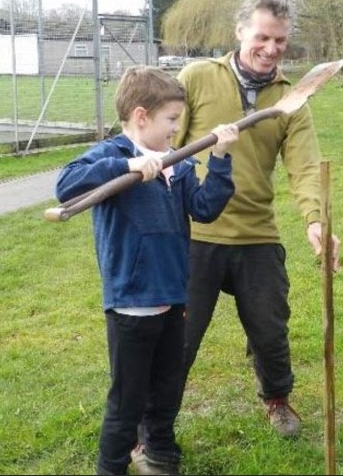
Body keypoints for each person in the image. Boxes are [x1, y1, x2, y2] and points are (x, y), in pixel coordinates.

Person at [55, 66, 239, 476]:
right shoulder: (112, 155)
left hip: (174, 300)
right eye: (171, 120)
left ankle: (160, 451)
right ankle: (112, 467)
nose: (177, 129)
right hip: (132, 306)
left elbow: (206, 208)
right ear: (141, 116)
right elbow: (67, 184)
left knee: (167, 388)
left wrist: (221, 159)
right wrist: (131, 167)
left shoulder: (179, 165)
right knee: (127, 400)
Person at [173, 0, 341, 438]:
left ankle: (277, 399)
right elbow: (166, 144)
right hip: (195, 232)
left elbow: (305, 166)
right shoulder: (197, 77)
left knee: (270, 328)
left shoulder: (291, 99)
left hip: (257, 233)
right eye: (262, 36)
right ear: (240, 32)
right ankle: (154, 418)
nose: (270, 48)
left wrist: (315, 220)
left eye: (280, 40)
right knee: (178, 338)